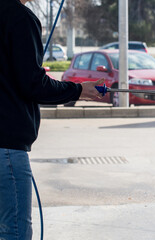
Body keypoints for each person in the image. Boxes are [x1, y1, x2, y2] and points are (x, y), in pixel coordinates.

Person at [0, 0, 104, 239]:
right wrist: (79, 90)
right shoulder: (19, 17)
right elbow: (33, 86)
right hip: (6, 148)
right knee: (14, 232)